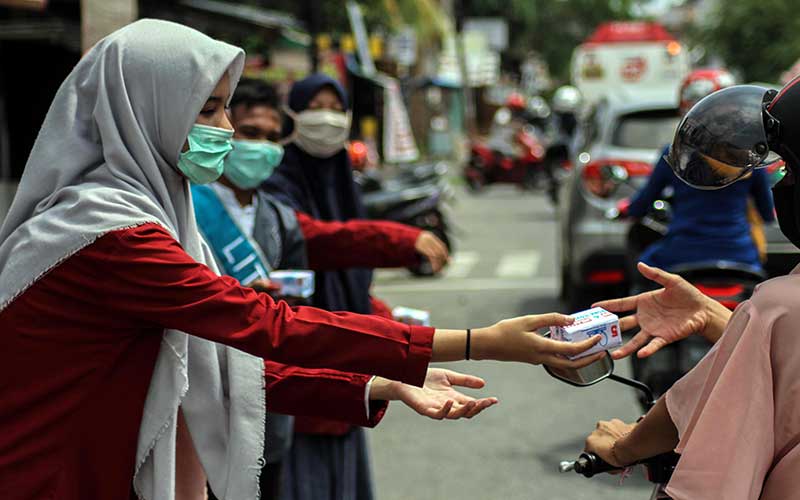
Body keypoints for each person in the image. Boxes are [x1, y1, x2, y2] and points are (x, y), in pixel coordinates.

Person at [0, 20, 606, 500]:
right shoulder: (110, 232)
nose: (228, 129)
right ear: (144, 108)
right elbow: (265, 325)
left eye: (225, 108)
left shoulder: (156, 213)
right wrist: (477, 340)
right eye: (208, 110)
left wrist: (376, 383)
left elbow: (213, 369)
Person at [192, 78, 454, 499]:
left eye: (272, 137)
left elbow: (323, 267)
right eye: (250, 134)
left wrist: (383, 321)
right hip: (204, 391)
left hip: (273, 392)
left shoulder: (276, 214)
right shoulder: (186, 207)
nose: (261, 147)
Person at [582, 80, 800, 499]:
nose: (783, 180)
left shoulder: (778, 307)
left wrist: (623, 447)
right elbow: (769, 356)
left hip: (680, 253)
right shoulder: (772, 311)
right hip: (738, 257)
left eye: (789, 171)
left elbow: (706, 471)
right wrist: (719, 316)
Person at [622, 68, 775, 274]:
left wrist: (630, 209)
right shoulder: (751, 155)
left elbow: (642, 204)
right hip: (741, 256)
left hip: (681, 254)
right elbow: (766, 213)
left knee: (643, 269)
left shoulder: (673, 154)